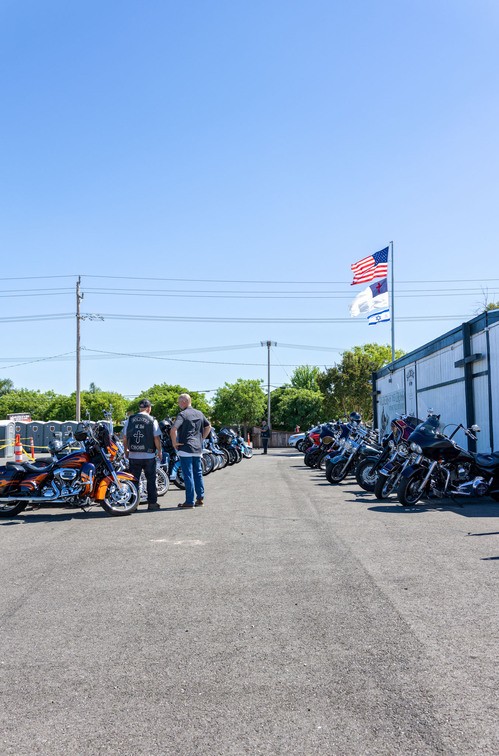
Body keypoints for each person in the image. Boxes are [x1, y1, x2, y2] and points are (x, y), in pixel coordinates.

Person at [170, 393, 211, 509]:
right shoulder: (199, 413)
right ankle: (200, 498)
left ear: (184, 402)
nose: (178, 404)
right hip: (197, 448)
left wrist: (174, 443)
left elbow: (173, 429)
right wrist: (201, 438)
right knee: (198, 473)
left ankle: (189, 501)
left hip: (185, 447)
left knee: (188, 474)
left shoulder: (182, 414)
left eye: (179, 402)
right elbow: (208, 426)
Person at [123, 399, 163, 511]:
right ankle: (152, 503)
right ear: (149, 408)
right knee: (151, 480)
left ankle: (133, 504)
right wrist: (159, 451)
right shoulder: (152, 420)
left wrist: (126, 451)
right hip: (148, 455)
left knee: (133, 480)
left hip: (133, 455)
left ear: (139, 408)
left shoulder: (130, 420)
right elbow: (156, 438)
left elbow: (125, 437)